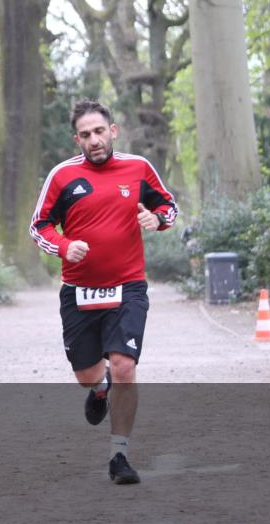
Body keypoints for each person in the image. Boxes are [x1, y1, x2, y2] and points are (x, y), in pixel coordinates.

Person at [28, 100, 177, 484]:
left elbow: (168, 207)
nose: (94, 140)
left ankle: (119, 455)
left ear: (113, 130)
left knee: (125, 365)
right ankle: (99, 389)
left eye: (99, 131)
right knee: (86, 375)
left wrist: (155, 218)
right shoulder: (62, 176)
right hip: (79, 290)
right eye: (85, 134)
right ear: (76, 138)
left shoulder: (138, 167)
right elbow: (39, 226)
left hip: (128, 286)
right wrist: (64, 246)